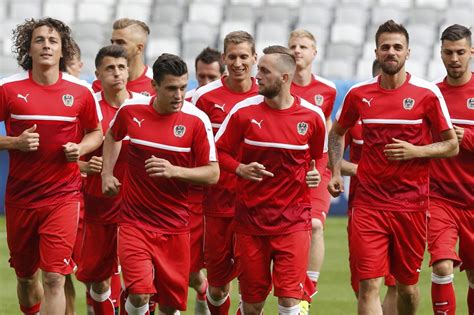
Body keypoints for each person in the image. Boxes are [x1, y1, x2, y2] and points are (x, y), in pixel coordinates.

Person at [327, 20, 458, 315]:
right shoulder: (359, 94)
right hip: (369, 205)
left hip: (411, 205)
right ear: (376, 51)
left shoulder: (427, 94)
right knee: (368, 285)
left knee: (406, 287)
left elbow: (451, 144)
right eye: (385, 47)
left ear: (408, 52)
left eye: (397, 47)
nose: (391, 52)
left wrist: (417, 150)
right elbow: (336, 133)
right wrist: (335, 170)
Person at [101, 53, 219, 315]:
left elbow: (213, 173)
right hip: (134, 221)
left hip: (175, 226)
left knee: (169, 306)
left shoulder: (196, 120)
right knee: (140, 293)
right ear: (154, 87)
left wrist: (175, 171)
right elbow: (112, 135)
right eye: (171, 88)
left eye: (183, 87)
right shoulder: (131, 111)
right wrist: (106, 174)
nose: (179, 95)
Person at [0, 17, 102, 314]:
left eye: (53, 41)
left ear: (63, 50)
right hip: (21, 198)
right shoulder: (7, 89)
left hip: (64, 196)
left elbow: (96, 132)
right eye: (39, 40)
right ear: (28, 49)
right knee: (26, 277)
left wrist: (80, 148)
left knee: (55, 277)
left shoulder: (80, 91)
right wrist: (14, 143)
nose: (46, 45)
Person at [215, 45, 326, 315]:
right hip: (251, 222)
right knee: (252, 305)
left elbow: (319, 156)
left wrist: (316, 173)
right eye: (259, 70)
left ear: (285, 78)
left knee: (289, 303)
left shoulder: (311, 116)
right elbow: (217, 152)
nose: (257, 76)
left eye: (264, 71)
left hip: (293, 223)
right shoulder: (244, 112)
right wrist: (239, 168)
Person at [76, 45, 151, 315]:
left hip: (139, 209)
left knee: (142, 283)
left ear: (129, 70)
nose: (117, 73)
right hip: (100, 206)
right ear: (97, 73)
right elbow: (66, 154)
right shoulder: (89, 107)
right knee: (98, 279)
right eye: (110, 68)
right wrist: (85, 164)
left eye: (121, 67)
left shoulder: (145, 106)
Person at [192, 31, 258, 315]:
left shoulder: (267, 92)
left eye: (244, 56)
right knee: (217, 286)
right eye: (232, 56)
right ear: (224, 58)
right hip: (216, 203)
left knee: (252, 284)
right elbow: (192, 146)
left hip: (256, 205)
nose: (238, 62)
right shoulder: (204, 97)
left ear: (254, 58)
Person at [342, 59, 397, 315]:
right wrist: (357, 170)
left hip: (404, 205)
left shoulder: (412, 113)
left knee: (400, 286)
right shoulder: (356, 112)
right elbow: (329, 157)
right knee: (365, 284)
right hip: (362, 205)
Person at [287, 29, 336, 313]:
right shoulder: (279, 85)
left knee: (316, 225)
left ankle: (308, 293)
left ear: (314, 52)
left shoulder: (327, 90)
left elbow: (327, 127)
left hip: (317, 166)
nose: (297, 50)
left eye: (303, 46)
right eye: (292, 46)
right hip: (287, 169)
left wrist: (329, 166)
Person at [428, 24, 474, 315]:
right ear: (441, 54)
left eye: (460, 52)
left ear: (471, 52)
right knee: (442, 265)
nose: (454, 58)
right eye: (448, 53)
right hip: (440, 198)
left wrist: (466, 138)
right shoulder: (432, 95)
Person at [183, 46, 225, 315]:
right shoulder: (184, 102)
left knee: (222, 277)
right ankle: (201, 290)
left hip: (225, 199)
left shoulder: (237, 103)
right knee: (189, 270)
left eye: (211, 77)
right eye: (201, 77)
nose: (205, 84)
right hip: (194, 198)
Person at [92, 18, 154, 96]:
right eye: (112, 42)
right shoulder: (100, 82)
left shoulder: (156, 84)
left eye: (120, 42)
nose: (113, 47)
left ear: (139, 48)